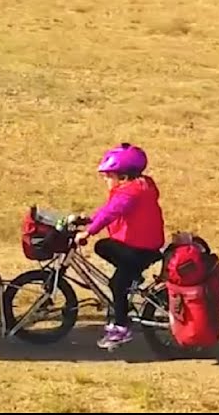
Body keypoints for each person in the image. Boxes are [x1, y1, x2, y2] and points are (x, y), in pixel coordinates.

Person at [73, 143, 166, 351]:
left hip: (139, 250)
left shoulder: (129, 193)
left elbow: (111, 213)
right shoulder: (141, 185)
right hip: (143, 246)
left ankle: (121, 328)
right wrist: (90, 220)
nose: (105, 180)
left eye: (108, 176)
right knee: (104, 248)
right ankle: (133, 276)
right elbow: (108, 209)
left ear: (123, 177)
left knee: (117, 284)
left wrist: (88, 232)